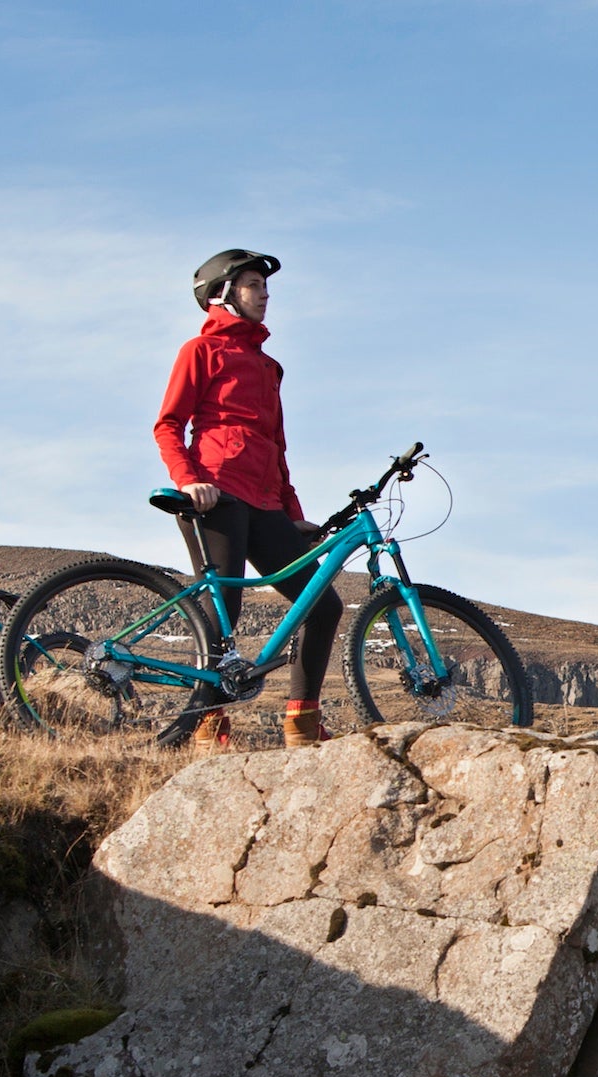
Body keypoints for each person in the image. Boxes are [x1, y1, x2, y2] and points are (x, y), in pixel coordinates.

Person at [154, 249, 343, 751]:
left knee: (321, 604)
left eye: (265, 285)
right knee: (224, 608)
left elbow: (276, 447)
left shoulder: (268, 366)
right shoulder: (200, 351)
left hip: (265, 503)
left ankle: (302, 723)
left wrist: (293, 515)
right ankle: (204, 723)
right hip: (215, 494)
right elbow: (168, 425)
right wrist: (189, 479)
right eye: (254, 284)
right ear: (224, 293)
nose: (265, 293)